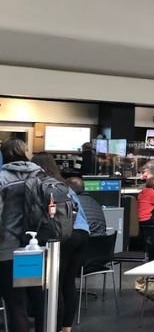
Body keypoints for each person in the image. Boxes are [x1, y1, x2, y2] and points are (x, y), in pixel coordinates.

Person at [31, 153, 91, 332]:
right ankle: (66, 327)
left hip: (64, 236)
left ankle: (54, 327)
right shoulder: (65, 186)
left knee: (55, 283)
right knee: (68, 281)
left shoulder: (44, 186)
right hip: (82, 233)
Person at [0, 139, 46, 332]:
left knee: (15, 303)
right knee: (39, 299)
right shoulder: (40, 174)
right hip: (36, 246)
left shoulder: (2, 178)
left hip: (7, 248)